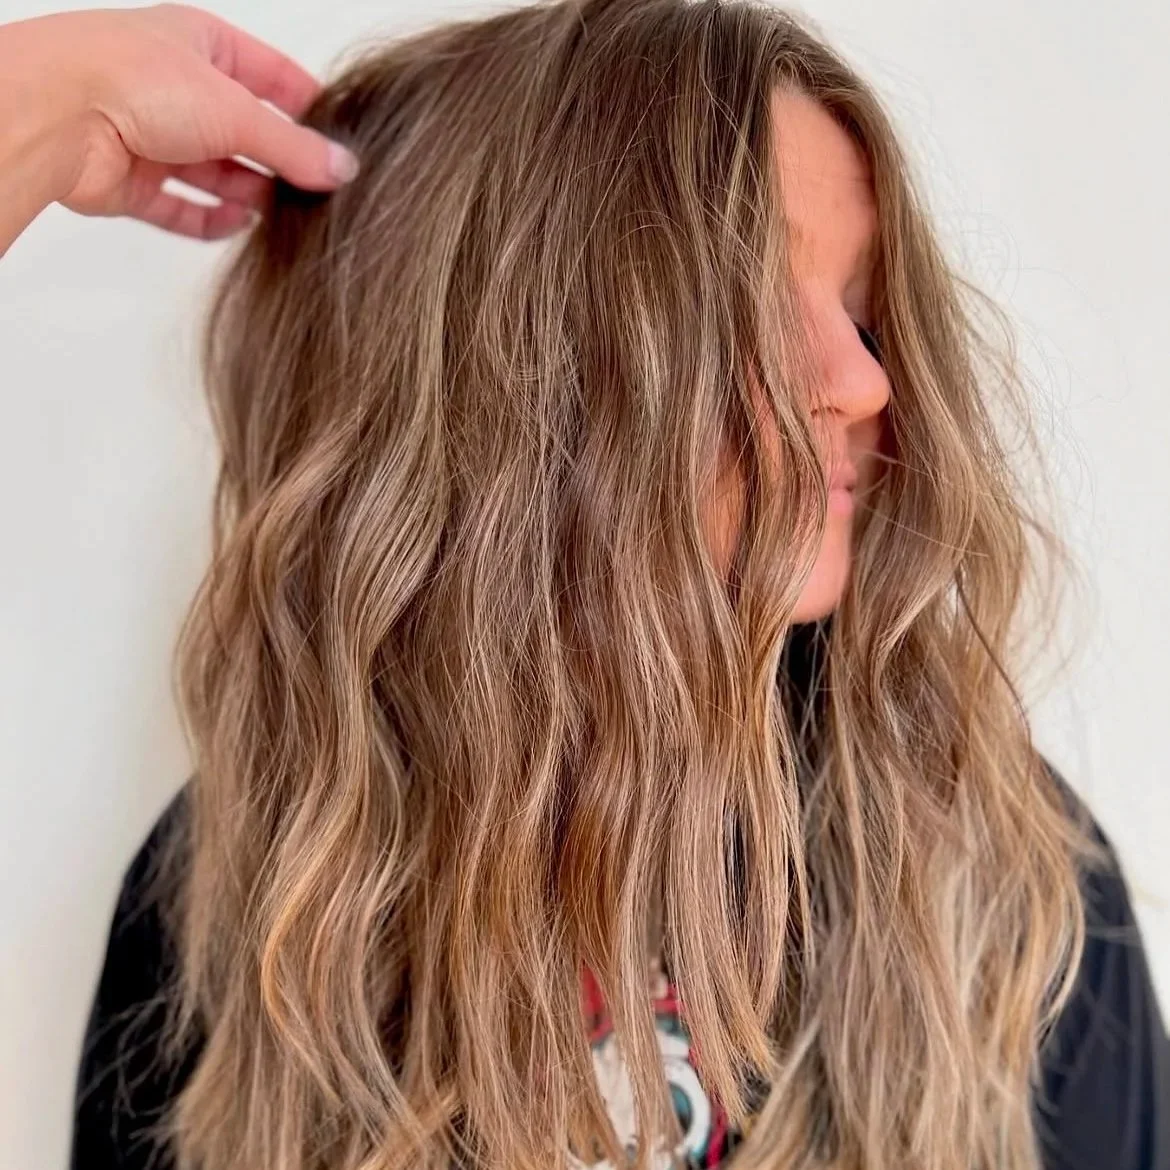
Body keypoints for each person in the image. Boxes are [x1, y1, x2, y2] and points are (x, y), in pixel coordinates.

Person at [3, 2, 1165, 1169]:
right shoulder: (238, 891)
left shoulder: (993, 874)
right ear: (501, 383)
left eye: (864, 310)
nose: (863, 383)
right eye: (748, 307)